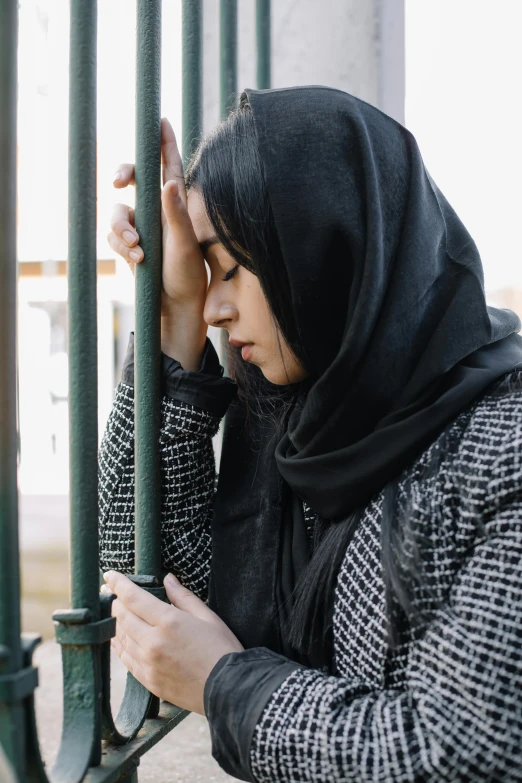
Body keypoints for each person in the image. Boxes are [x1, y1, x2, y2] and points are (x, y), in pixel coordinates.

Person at [98, 86, 522, 782]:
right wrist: (172, 314)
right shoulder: (303, 415)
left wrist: (225, 685)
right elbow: (146, 577)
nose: (215, 304)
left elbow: (462, 750)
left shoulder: (500, 444)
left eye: (229, 267)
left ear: (322, 248)